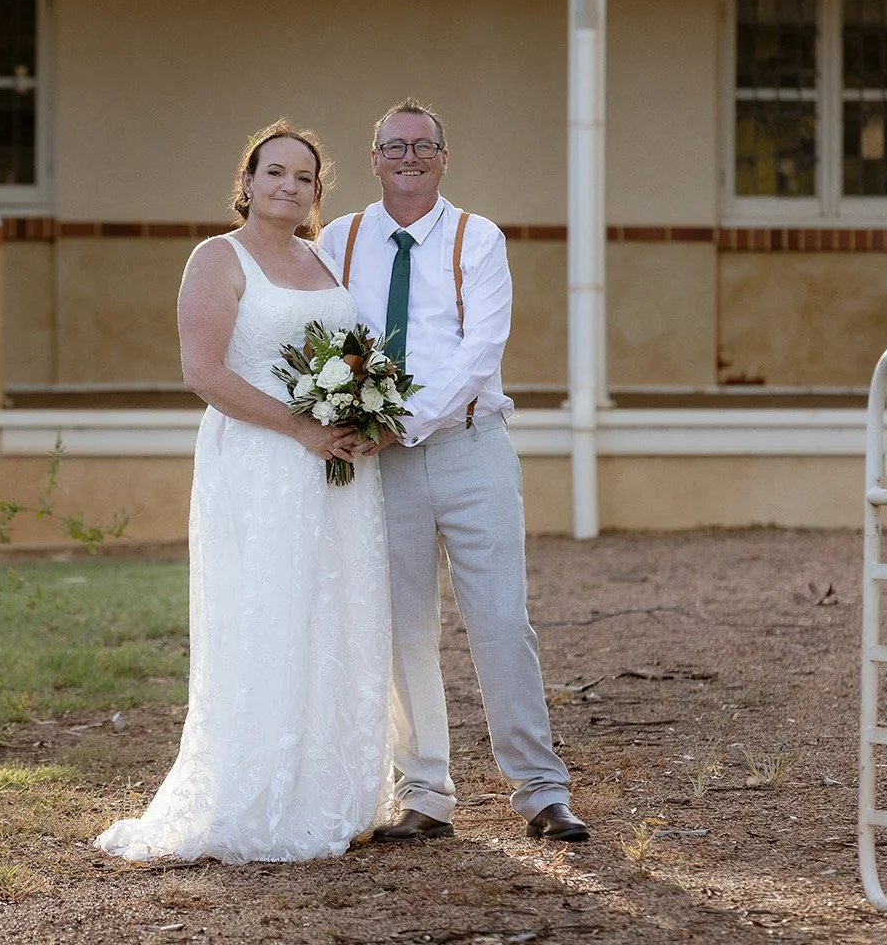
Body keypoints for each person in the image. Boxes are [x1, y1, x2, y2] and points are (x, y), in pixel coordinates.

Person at [95, 121, 392, 864]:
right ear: (248, 181)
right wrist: (302, 429)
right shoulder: (216, 259)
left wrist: (360, 416)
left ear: (317, 193)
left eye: (305, 178)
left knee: (332, 610)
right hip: (260, 464)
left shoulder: (322, 260)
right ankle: (261, 793)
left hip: (337, 468)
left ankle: (333, 791)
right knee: (270, 611)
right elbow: (204, 372)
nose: (290, 186)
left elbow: (349, 355)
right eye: (276, 173)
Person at [319, 99, 588, 844]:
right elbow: (322, 339)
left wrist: (400, 421)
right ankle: (426, 792)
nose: (409, 156)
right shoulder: (338, 240)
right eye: (393, 145)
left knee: (502, 620)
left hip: (471, 448)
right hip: (383, 467)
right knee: (405, 628)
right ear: (372, 158)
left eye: (423, 145)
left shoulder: (479, 238)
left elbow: (479, 353)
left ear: (444, 157)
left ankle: (539, 790)